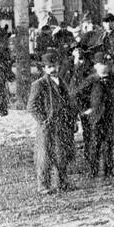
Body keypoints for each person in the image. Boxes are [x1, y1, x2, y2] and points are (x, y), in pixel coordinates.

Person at [28, 50, 78, 194]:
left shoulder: (62, 82)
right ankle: (43, 185)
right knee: (44, 156)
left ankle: (62, 183)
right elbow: (32, 107)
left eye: (55, 65)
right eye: (49, 67)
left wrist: (72, 119)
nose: (53, 69)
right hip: (48, 126)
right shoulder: (39, 84)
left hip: (62, 124)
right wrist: (43, 121)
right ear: (44, 68)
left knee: (62, 154)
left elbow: (69, 103)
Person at [73, 51, 114, 178]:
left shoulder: (112, 79)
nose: (105, 66)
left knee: (108, 144)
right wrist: (85, 110)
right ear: (95, 66)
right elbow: (77, 96)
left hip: (109, 117)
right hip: (94, 119)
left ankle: (108, 169)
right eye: (101, 64)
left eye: (107, 64)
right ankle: (92, 170)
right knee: (94, 144)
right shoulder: (91, 80)